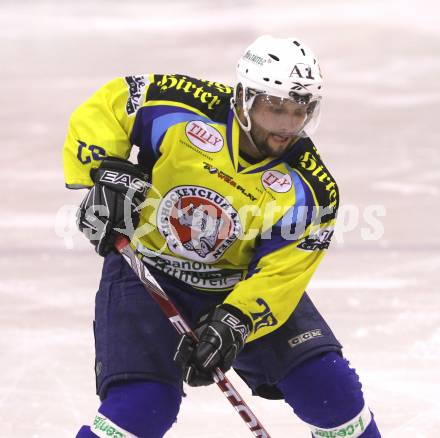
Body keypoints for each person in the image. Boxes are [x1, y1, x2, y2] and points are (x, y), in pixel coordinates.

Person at [63, 35, 381, 437]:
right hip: (146, 270)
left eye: (299, 112)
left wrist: (236, 322)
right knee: (143, 406)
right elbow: (111, 105)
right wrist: (103, 172)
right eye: (275, 109)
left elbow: (282, 274)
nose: (286, 126)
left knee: (333, 394)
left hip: (236, 285)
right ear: (244, 98)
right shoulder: (181, 106)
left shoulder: (310, 188)